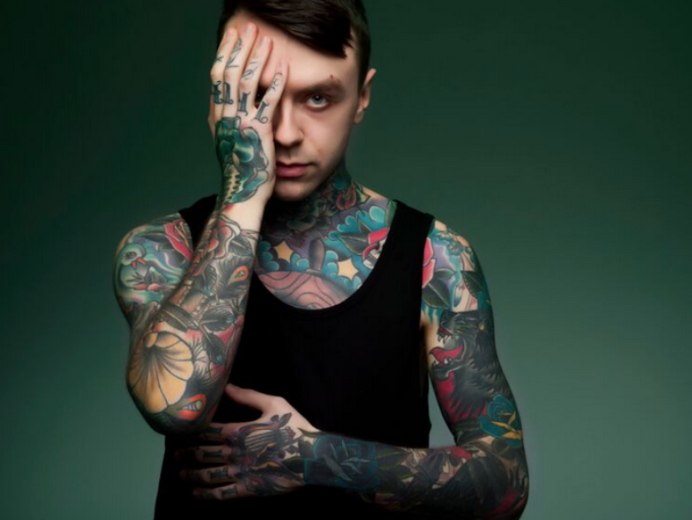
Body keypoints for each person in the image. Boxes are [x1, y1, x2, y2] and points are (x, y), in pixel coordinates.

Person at [111, 0, 529, 518]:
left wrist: (316, 458)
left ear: (362, 97)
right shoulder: (160, 248)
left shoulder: (435, 258)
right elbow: (175, 405)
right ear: (221, 96)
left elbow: (506, 483)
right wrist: (244, 189)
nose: (285, 133)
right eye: (259, 96)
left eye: (317, 98)